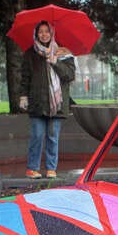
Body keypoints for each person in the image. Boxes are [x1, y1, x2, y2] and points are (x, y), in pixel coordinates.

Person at [19, 21, 75, 178]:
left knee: (52, 136)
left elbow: (69, 75)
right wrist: (23, 96)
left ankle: (51, 168)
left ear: (52, 33)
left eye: (47, 31)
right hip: (37, 102)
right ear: (36, 34)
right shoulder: (30, 53)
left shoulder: (63, 53)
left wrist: (55, 62)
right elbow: (25, 78)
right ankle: (33, 168)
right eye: (40, 32)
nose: (44, 34)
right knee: (37, 135)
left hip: (57, 104)